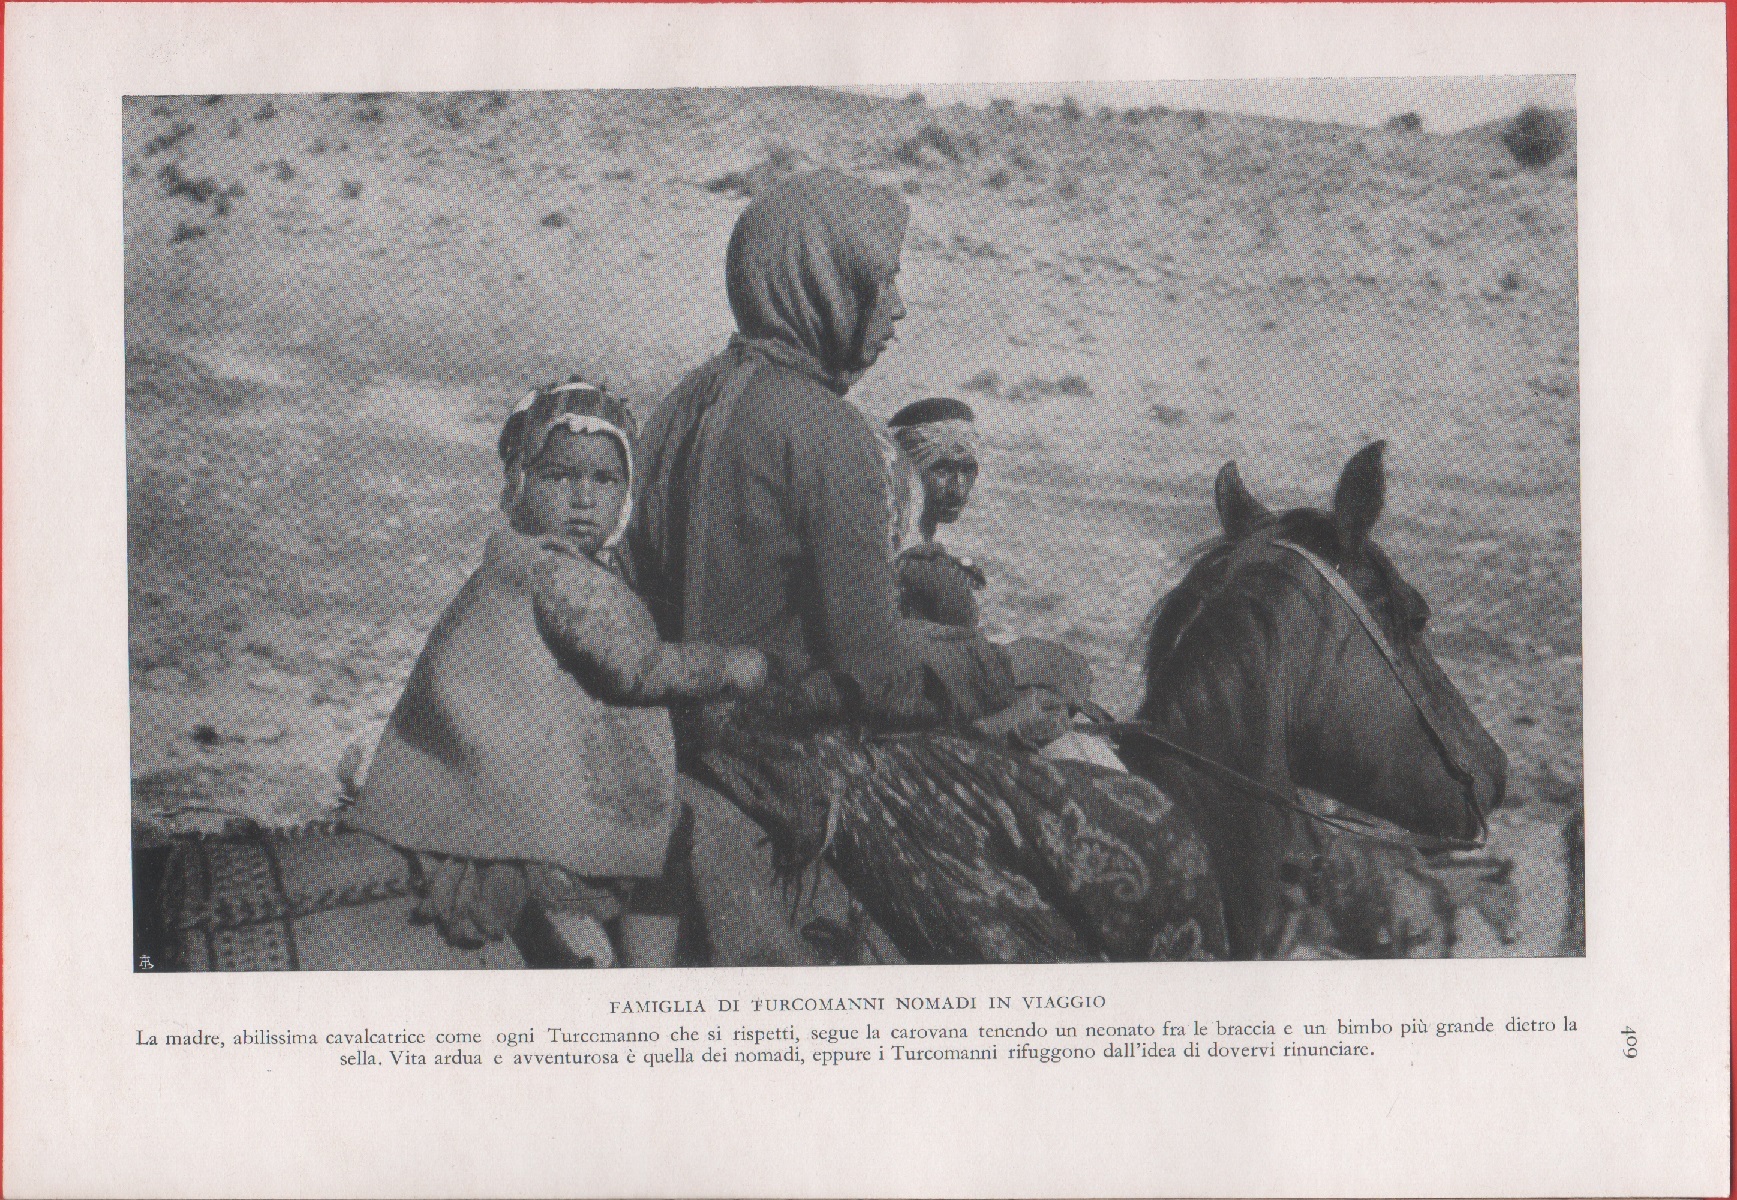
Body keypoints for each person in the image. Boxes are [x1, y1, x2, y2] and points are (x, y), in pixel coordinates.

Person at [632, 168, 1225, 964]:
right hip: (792, 759)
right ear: (823, 286)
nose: (899, 308)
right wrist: (1011, 668)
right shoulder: (826, 431)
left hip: (674, 734)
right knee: (1151, 837)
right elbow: (874, 671)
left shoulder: (680, 404)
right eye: (881, 282)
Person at [349, 379, 765, 967]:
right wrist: (736, 665)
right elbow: (636, 672)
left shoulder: (513, 557)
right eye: (559, 477)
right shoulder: (564, 578)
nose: (582, 499)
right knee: (674, 835)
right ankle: (643, 973)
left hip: (471, 762)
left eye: (604, 481)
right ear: (520, 483)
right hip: (520, 789)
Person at [886, 396, 987, 629]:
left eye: (967, 469)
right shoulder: (913, 565)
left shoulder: (922, 554)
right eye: (942, 469)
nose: (958, 488)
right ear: (908, 472)